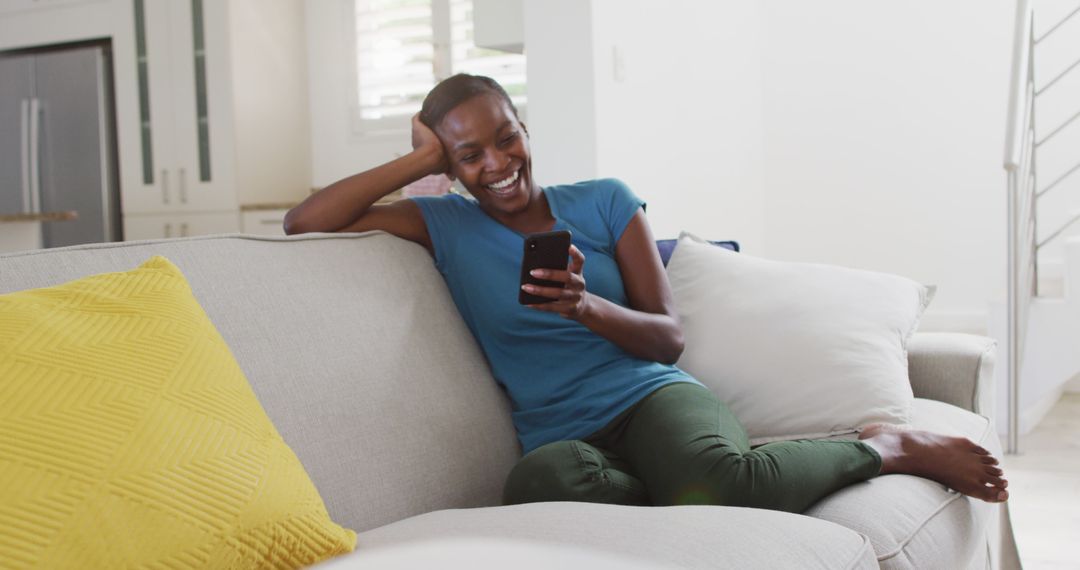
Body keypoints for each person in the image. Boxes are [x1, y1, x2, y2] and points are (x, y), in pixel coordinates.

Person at [284, 74, 1008, 511]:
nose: (497, 163)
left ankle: (885, 446)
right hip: (560, 433)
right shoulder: (443, 224)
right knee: (537, 485)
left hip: (650, 395)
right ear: (451, 163)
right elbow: (304, 221)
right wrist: (421, 157)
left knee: (722, 484)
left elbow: (668, 336)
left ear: (524, 128)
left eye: (506, 137)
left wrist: (583, 305)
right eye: (469, 154)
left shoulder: (604, 200)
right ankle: (672, 486)